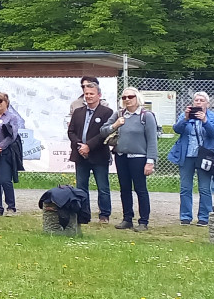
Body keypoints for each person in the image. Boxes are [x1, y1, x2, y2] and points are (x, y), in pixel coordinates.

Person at [102, 87, 158, 231]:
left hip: (138, 158)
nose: (127, 100)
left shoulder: (146, 116)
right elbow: (103, 130)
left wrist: (150, 161)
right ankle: (127, 219)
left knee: (140, 189)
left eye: (130, 97)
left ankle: (143, 221)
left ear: (137, 98)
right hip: (121, 156)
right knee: (124, 189)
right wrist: (115, 125)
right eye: (124, 97)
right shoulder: (119, 114)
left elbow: (152, 140)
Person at [67, 80, 115, 223]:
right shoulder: (78, 112)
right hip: (80, 155)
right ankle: (83, 214)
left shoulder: (107, 112)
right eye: (86, 94)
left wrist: (89, 145)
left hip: (99, 155)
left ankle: (104, 215)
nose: (88, 96)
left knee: (103, 187)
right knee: (81, 187)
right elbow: (71, 131)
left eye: (91, 94)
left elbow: (104, 134)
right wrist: (80, 146)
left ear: (99, 95)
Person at [172, 92, 214, 226]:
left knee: (204, 188)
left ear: (207, 104)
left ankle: (204, 217)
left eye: (202, 100)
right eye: (196, 100)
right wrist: (186, 119)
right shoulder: (185, 115)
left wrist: (205, 121)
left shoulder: (213, 117)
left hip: (204, 157)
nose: (198, 102)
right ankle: (185, 217)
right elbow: (177, 129)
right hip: (186, 155)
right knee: (185, 187)